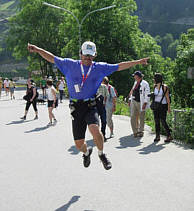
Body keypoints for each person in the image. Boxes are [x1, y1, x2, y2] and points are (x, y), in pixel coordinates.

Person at [27, 41, 149, 170]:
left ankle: (102, 154)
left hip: (90, 104)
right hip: (75, 107)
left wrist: (138, 61)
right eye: (85, 55)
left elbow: (119, 66)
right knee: (79, 144)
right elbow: (52, 58)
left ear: (94, 55)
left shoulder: (99, 67)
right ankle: (86, 153)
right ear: (80, 53)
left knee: (95, 130)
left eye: (90, 56)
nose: (88, 58)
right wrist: (37, 49)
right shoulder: (69, 65)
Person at [151, 73, 173, 143]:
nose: (153, 79)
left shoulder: (164, 87)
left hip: (163, 106)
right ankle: (157, 136)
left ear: (157, 79)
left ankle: (169, 135)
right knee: (156, 121)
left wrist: (169, 108)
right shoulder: (154, 86)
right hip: (156, 106)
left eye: (154, 78)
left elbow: (167, 98)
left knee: (163, 121)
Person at [128, 71, 150, 137]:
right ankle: (135, 131)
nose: (134, 77)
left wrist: (145, 102)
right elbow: (132, 91)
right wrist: (129, 99)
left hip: (141, 102)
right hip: (134, 101)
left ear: (138, 76)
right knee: (133, 116)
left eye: (135, 76)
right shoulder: (135, 82)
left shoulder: (145, 83)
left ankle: (140, 131)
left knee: (141, 117)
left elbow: (147, 94)